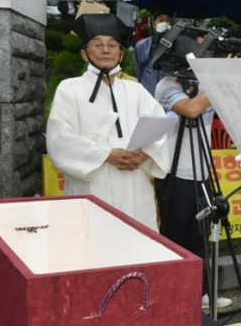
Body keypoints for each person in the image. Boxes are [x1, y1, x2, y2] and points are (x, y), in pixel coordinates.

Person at [47, 14, 169, 230]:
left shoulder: (136, 91)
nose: (106, 50)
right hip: (93, 186)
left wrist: (145, 154)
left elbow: (159, 127)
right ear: (84, 54)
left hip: (133, 186)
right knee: (93, 244)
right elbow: (60, 139)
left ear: (120, 54)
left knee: (136, 246)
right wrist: (106, 155)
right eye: (98, 44)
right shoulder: (69, 88)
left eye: (112, 45)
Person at [152, 34, 234, 310]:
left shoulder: (202, 84)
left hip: (202, 173)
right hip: (174, 174)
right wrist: (218, 82)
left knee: (201, 237)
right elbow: (190, 109)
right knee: (175, 236)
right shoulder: (167, 86)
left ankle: (202, 293)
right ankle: (171, 295)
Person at [132, 2, 175, 96]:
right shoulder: (142, 45)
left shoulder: (176, 47)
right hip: (147, 94)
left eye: (168, 20)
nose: (164, 23)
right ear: (154, 23)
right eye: (161, 20)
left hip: (167, 98)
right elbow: (138, 71)